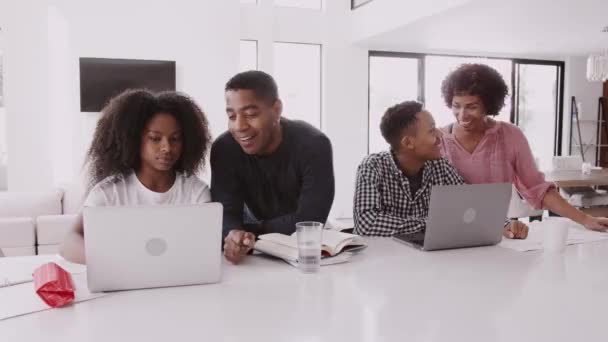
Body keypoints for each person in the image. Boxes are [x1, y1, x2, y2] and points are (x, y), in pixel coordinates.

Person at [439, 63, 608, 239]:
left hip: (494, 233)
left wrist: (585, 219)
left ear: (488, 105)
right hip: (447, 233)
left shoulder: (510, 136)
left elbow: (537, 188)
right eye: (456, 105)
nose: (462, 114)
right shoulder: (440, 140)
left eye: (471, 107)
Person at [60, 89, 212, 264]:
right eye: (155, 138)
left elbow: (204, 246)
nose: (167, 148)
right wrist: (108, 262)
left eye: (175, 139)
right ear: (133, 140)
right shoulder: (109, 192)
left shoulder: (196, 192)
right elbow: (69, 242)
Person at [211, 70, 335, 264]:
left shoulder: (314, 144)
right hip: (257, 252)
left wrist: (247, 232)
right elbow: (224, 212)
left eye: (250, 114)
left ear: (276, 110)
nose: (239, 126)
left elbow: (310, 219)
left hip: (306, 248)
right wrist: (234, 234)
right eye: (232, 116)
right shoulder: (224, 149)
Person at [353, 101, 465, 236]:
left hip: (431, 255)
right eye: (432, 130)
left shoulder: (441, 166)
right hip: (385, 255)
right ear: (408, 142)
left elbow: (467, 208)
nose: (440, 134)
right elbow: (366, 225)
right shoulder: (372, 167)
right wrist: (431, 223)